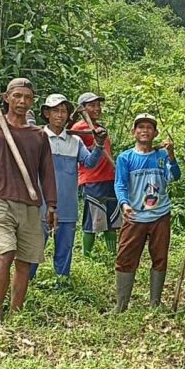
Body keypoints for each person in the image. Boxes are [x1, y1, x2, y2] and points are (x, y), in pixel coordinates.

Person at [0, 78, 57, 325]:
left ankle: (17, 311)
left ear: (32, 102)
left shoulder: (38, 135)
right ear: (6, 98)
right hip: (0, 199)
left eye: (27, 97)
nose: (21, 101)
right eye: (16, 96)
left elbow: (47, 173)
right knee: (5, 253)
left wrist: (53, 205)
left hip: (30, 203)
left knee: (25, 261)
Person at [29, 94, 103, 288]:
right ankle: (26, 283)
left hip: (68, 204)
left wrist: (99, 145)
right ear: (46, 113)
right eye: (55, 111)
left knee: (65, 246)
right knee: (35, 246)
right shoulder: (37, 137)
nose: (60, 115)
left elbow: (89, 163)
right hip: (41, 205)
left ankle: (62, 283)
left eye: (63, 111)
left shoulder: (75, 141)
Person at [113, 113, 180, 311]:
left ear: (155, 132)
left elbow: (174, 177)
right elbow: (120, 184)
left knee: (160, 257)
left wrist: (172, 156)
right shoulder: (126, 158)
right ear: (134, 132)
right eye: (140, 127)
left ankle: (155, 304)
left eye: (149, 127)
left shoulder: (161, 156)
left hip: (160, 214)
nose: (145, 131)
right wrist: (124, 204)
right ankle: (121, 305)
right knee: (125, 257)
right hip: (134, 215)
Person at [69, 92, 120, 256]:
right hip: (92, 179)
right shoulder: (77, 129)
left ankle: (112, 255)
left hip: (110, 177)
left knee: (112, 218)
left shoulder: (100, 127)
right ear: (83, 108)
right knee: (92, 219)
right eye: (92, 105)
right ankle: (87, 256)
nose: (97, 108)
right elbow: (73, 146)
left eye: (98, 104)